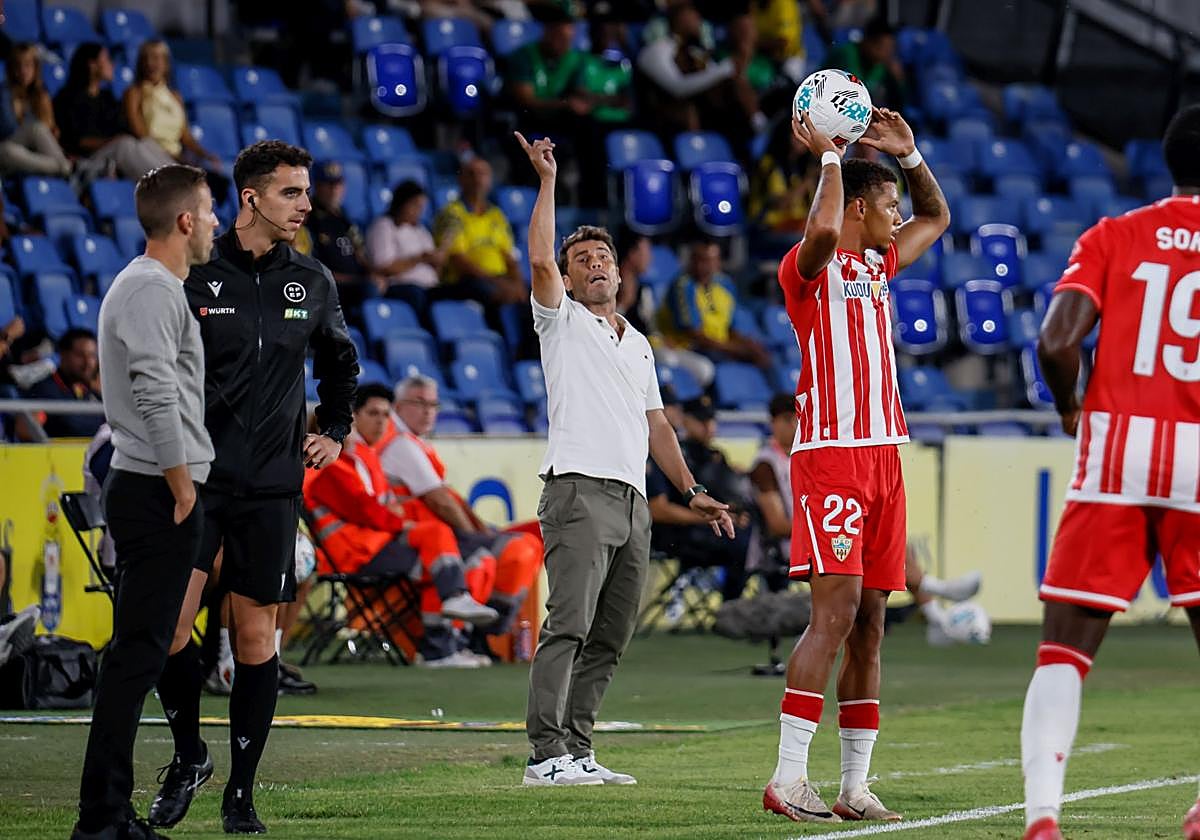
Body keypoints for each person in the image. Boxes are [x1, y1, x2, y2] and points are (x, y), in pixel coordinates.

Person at [148, 140, 359, 835]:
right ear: (251, 198)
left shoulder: (313, 279)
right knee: (168, 630)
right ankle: (188, 756)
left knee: (257, 640)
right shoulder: (197, 273)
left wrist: (336, 428)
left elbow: (340, 362)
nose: (306, 204)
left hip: (271, 485)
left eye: (305, 193)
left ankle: (241, 794)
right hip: (195, 483)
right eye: (292, 193)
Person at [515, 129, 735, 787]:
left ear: (620, 270)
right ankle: (544, 755)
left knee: (610, 638)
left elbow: (658, 426)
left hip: (633, 501)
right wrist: (548, 181)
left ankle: (577, 748)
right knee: (568, 627)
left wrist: (691, 489)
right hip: (579, 491)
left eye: (601, 255)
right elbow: (537, 262)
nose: (593, 264)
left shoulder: (637, 342)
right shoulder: (560, 321)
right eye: (580, 258)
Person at [762, 107, 951, 824]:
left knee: (872, 622)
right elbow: (818, 230)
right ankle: (787, 778)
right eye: (889, 206)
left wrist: (912, 156)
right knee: (834, 615)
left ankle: (853, 787)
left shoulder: (880, 262)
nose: (899, 215)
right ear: (862, 210)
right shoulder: (807, 270)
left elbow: (939, 214)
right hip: (833, 456)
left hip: (884, 457)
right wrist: (833, 159)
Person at [1019, 106, 1200, 840]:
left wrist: (1072, 407)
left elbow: (1058, 342)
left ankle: (1042, 817)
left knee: (1064, 650)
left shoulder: (1115, 235)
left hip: (1117, 447)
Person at [71, 164, 218, 840]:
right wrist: (183, 483)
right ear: (185, 221)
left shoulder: (151, 288)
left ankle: (106, 813)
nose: (215, 223)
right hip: (159, 487)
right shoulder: (152, 291)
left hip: (156, 484)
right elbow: (156, 391)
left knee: (140, 652)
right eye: (211, 211)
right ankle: (102, 818)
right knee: (137, 656)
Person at [373, 374, 544, 638]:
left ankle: (490, 627)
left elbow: (446, 498)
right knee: (519, 548)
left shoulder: (410, 442)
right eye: (419, 403)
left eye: (433, 405)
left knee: (532, 538)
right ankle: (490, 629)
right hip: (424, 537)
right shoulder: (401, 446)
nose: (428, 412)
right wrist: (475, 535)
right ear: (398, 407)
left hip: (429, 536)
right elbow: (440, 501)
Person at [647, 396, 753, 602]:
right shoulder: (671, 455)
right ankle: (731, 606)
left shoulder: (716, 456)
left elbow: (725, 499)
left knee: (752, 533)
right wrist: (704, 518)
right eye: (701, 421)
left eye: (711, 420)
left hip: (708, 529)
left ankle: (745, 604)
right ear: (685, 419)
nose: (708, 426)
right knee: (740, 543)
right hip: (676, 534)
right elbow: (658, 509)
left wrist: (735, 514)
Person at [53, 43, 174, 181]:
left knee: (145, 143)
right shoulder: (68, 98)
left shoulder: (107, 98)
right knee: (124, 145)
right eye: (107, 60)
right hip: (88, 160)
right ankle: (169, 182)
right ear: (92, 65)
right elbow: (75, 141)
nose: (112, 65)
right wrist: (111, 141)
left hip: (112, 153)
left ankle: (182, 177)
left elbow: (122, 127)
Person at [657, 238, 773, 370]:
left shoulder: (725, 284)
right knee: (709, 368)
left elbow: (732, 328)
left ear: (718, 263)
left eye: (707, 261)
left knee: (764, 356)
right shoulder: (683, 286)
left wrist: (747, 345)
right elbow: (695, 335)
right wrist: (736, 349)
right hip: (687, 347)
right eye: (697, 260)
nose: (701, 266)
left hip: (718, 347)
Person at [433, 156, 526, 306]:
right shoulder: (452, 214)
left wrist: (518, 283)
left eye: (483, 174)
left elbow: (509, 256)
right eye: (471, 173)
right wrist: (497, 282)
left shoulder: (497, 215)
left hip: (498, 277)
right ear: (461, 180)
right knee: (494, 293)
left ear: (490, 180)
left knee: (537, 296)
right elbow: (458, 260)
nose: (477, 179)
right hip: (466, 281)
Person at [303, 161, 374, 316]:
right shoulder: (309, 219)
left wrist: (374, 275)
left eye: (338, 184)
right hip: (330, 285)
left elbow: (360, 252)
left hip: (355, 282)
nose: (334, 190)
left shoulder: (343, 217)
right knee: (367, 290)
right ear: (318, 186)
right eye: (328, 184)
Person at [364, 179, 444, 314]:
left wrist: (437, 262)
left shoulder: (422, 231)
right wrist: (419, 258)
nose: (418, 211)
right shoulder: (384, 226)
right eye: (415, 205)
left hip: (429, 287)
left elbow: (436, 272)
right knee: (417, 295)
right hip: (400, 286)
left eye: (421, 207)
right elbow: (383, 267)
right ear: (401, 203)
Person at [0, 43, 71, 176]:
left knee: (37, 129)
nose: (22, 71)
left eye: (27, 65)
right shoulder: (4, 92)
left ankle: (64, 168)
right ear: (11, 69)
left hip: (33, 154)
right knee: (9, 150)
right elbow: (8, 129)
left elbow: (51, 133)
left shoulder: (41, 95)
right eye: (18, 66)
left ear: (35, 68)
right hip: (7, 147)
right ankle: (67, 169)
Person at [18, 328, 104, 440]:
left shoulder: (91, 392)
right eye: (80, 355)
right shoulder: (45, 391)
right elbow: (23, 430)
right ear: (63, 355)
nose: (88, 362)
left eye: (92, 355)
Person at [823, 17, 907, 111]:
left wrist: (899, 81)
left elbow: (901, 103)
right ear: (868, 42)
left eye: (890, 48)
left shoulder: (882, 66)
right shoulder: (846, 54)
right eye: (882, 48)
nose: (887, 54)